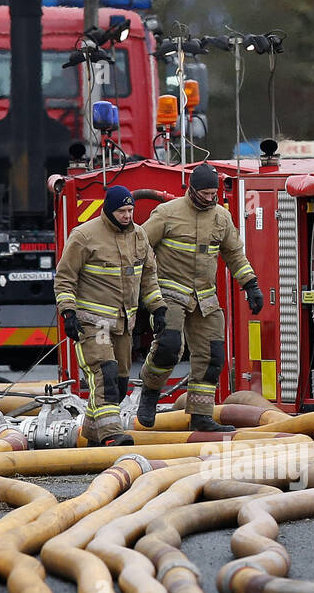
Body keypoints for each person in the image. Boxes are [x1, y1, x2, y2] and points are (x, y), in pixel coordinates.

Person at [136, 162, 264, 432]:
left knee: (212, 355)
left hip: (205, 298)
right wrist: (137, 288)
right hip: (169, 291)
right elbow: (139, 247)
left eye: (212, 194)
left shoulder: (221, 217)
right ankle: (149, 391)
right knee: (169, 347)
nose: (209, 199)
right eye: (204, 194)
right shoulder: (166, 213)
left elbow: (234, 254)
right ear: (191, 190)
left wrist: (251, 284)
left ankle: (201, 415)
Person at [54, 184, 166, 446]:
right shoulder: (84, 236)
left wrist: (158, 307)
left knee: (120, 382)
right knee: (106, 374)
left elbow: (148, 276)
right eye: (122, 211)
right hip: (95, 323)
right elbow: (65, 277)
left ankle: (93, 435)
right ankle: (111, 435)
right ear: (108, 210)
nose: (128, 216)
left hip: (123, 324)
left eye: (130, 210)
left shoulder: (139, 236)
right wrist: (68, 312)